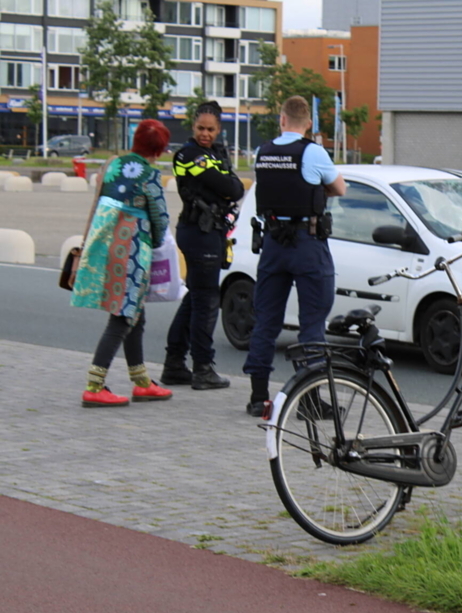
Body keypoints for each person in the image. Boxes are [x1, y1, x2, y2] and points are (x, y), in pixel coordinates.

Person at [243, 95, 347, 416]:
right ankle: (311, 401)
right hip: (307, 242)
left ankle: (258, 397)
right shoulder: (313, 151)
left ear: (282, 120)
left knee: (266, 321)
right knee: (312, 323)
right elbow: (339, 188)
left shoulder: (265, 151)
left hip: (273, 242)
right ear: (309, 124)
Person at [72, 120, 174, 407]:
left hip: (106, 243)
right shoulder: (149, 176)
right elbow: (160, 218)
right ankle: (95, 385)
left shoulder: (113, 165)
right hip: (131, 248)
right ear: (159, 149)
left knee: (134, 315)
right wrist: (155, 244)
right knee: (121, 317)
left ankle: (141, 381)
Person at [161, 101, 245, 390]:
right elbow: (232, 188)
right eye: (200, 128)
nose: (205, 133)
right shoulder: (190, 154)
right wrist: (226, 183)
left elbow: (233, 187)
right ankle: (202, 367)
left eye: (210, 129)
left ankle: (174, 364)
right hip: (199, 230)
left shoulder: (213, 153)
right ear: (193, 127)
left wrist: (226, 182)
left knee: (195, 298)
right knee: (207, 301)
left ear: (219, 129)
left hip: (209, 232)